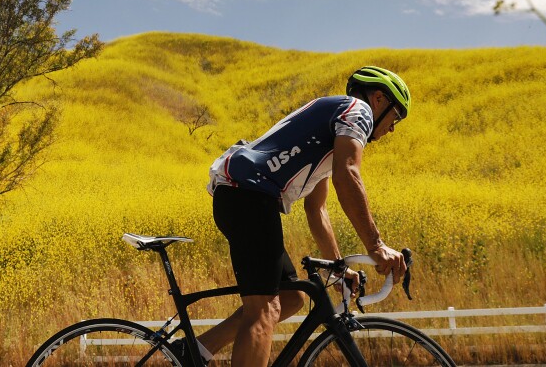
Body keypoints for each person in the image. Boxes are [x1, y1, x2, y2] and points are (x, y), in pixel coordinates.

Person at [175, 66, 411, 366]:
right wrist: (376, 246)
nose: (392, 128)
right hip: (249, 195)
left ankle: (194, 351)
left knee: (290, 298)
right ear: (379, 99)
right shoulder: (359, 110)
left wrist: (336, 269)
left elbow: (316, 209)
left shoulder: (329, 132)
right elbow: (348, 175)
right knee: (263, 310)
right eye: (397, 117)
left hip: (244, 196)